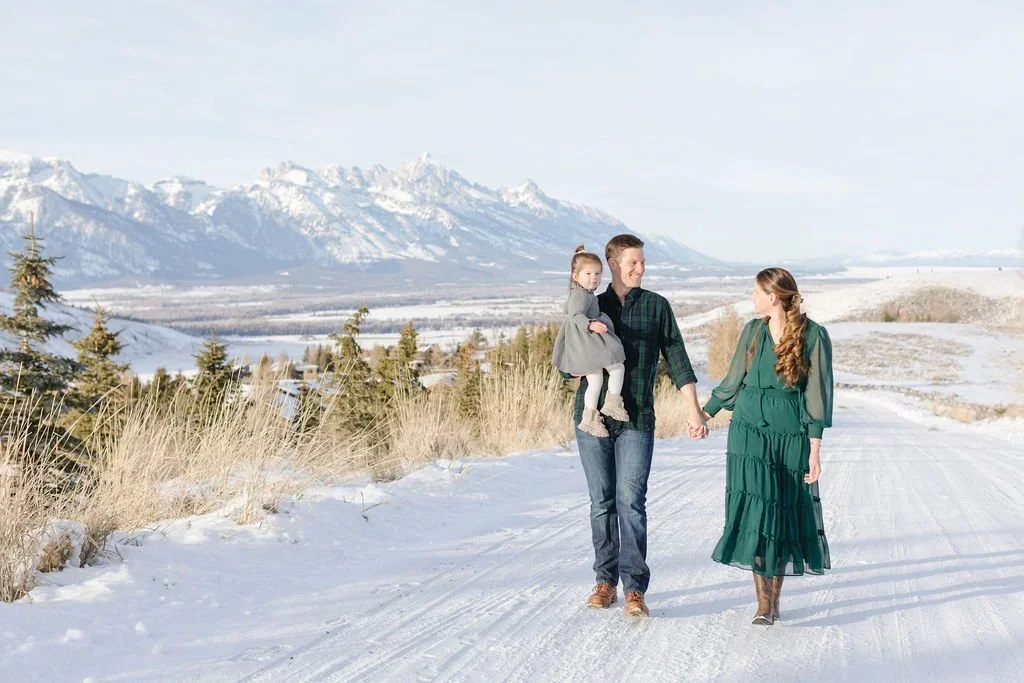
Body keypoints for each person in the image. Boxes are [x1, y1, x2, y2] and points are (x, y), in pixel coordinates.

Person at [570, 234, 708, 618]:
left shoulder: (656, 307)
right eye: (633, 262)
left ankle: (634, 588)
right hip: (592, 417)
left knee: (631, 503)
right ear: (612, 263)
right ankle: (604, 580)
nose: (640, 269)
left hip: (637, 418)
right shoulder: (591, 304)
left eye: (643, 262)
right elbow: (567, 353)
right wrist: (574, 367)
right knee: (602, 502)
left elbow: (678, 359)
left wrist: (693, 410)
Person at [702, 267, 833, 626]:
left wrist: (814, 449)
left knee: (782, 516)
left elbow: (817, 396)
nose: (752, 298)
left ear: (773, 296)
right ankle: (763, 606)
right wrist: (706, 413)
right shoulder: (752, 331)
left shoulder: (814, 335)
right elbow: (732, 380)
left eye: (756, 292)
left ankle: (775, 602)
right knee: (758, 516)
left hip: (789, 436)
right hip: (748, 436)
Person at [551, 245, 629, 437]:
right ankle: (612, 403)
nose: (594, 278)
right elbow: (575, 315)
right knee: (617, 366)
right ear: (576, 276)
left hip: (586, 345)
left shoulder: (584, 293)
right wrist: (591, 324)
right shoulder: (579, 294)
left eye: (597, 274)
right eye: (588, 274)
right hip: (588, 343)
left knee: (596, 381)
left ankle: (590, 417)